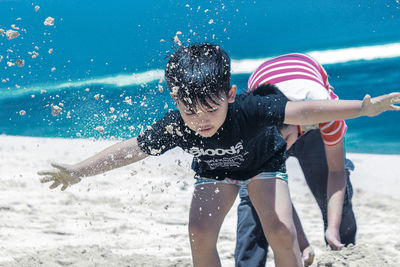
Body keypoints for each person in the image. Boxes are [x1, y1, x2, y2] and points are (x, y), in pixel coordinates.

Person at [38, 44, 400, 267]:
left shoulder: (252, 109)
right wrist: (78, 171)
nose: (201, 121)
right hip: (214, 173)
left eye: (210, 109)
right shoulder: (177, 125)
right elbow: (132, 149)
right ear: (175, 102)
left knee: (279, 229)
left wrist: (363, 108)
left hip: (263, 166)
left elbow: (305, 112)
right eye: (189, 110)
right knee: (198, 230)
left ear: (229, 94)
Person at [235, 53, 357, 267]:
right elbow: (272, 194)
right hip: (271, 104)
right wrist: (302, 244)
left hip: (313, 114)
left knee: (336, 195)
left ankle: (342, 257)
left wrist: (332, 229)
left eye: (282, 143)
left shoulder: (325, 111)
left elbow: (335, 173)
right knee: (254, 197)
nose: (281, 150)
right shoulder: (252, 125)